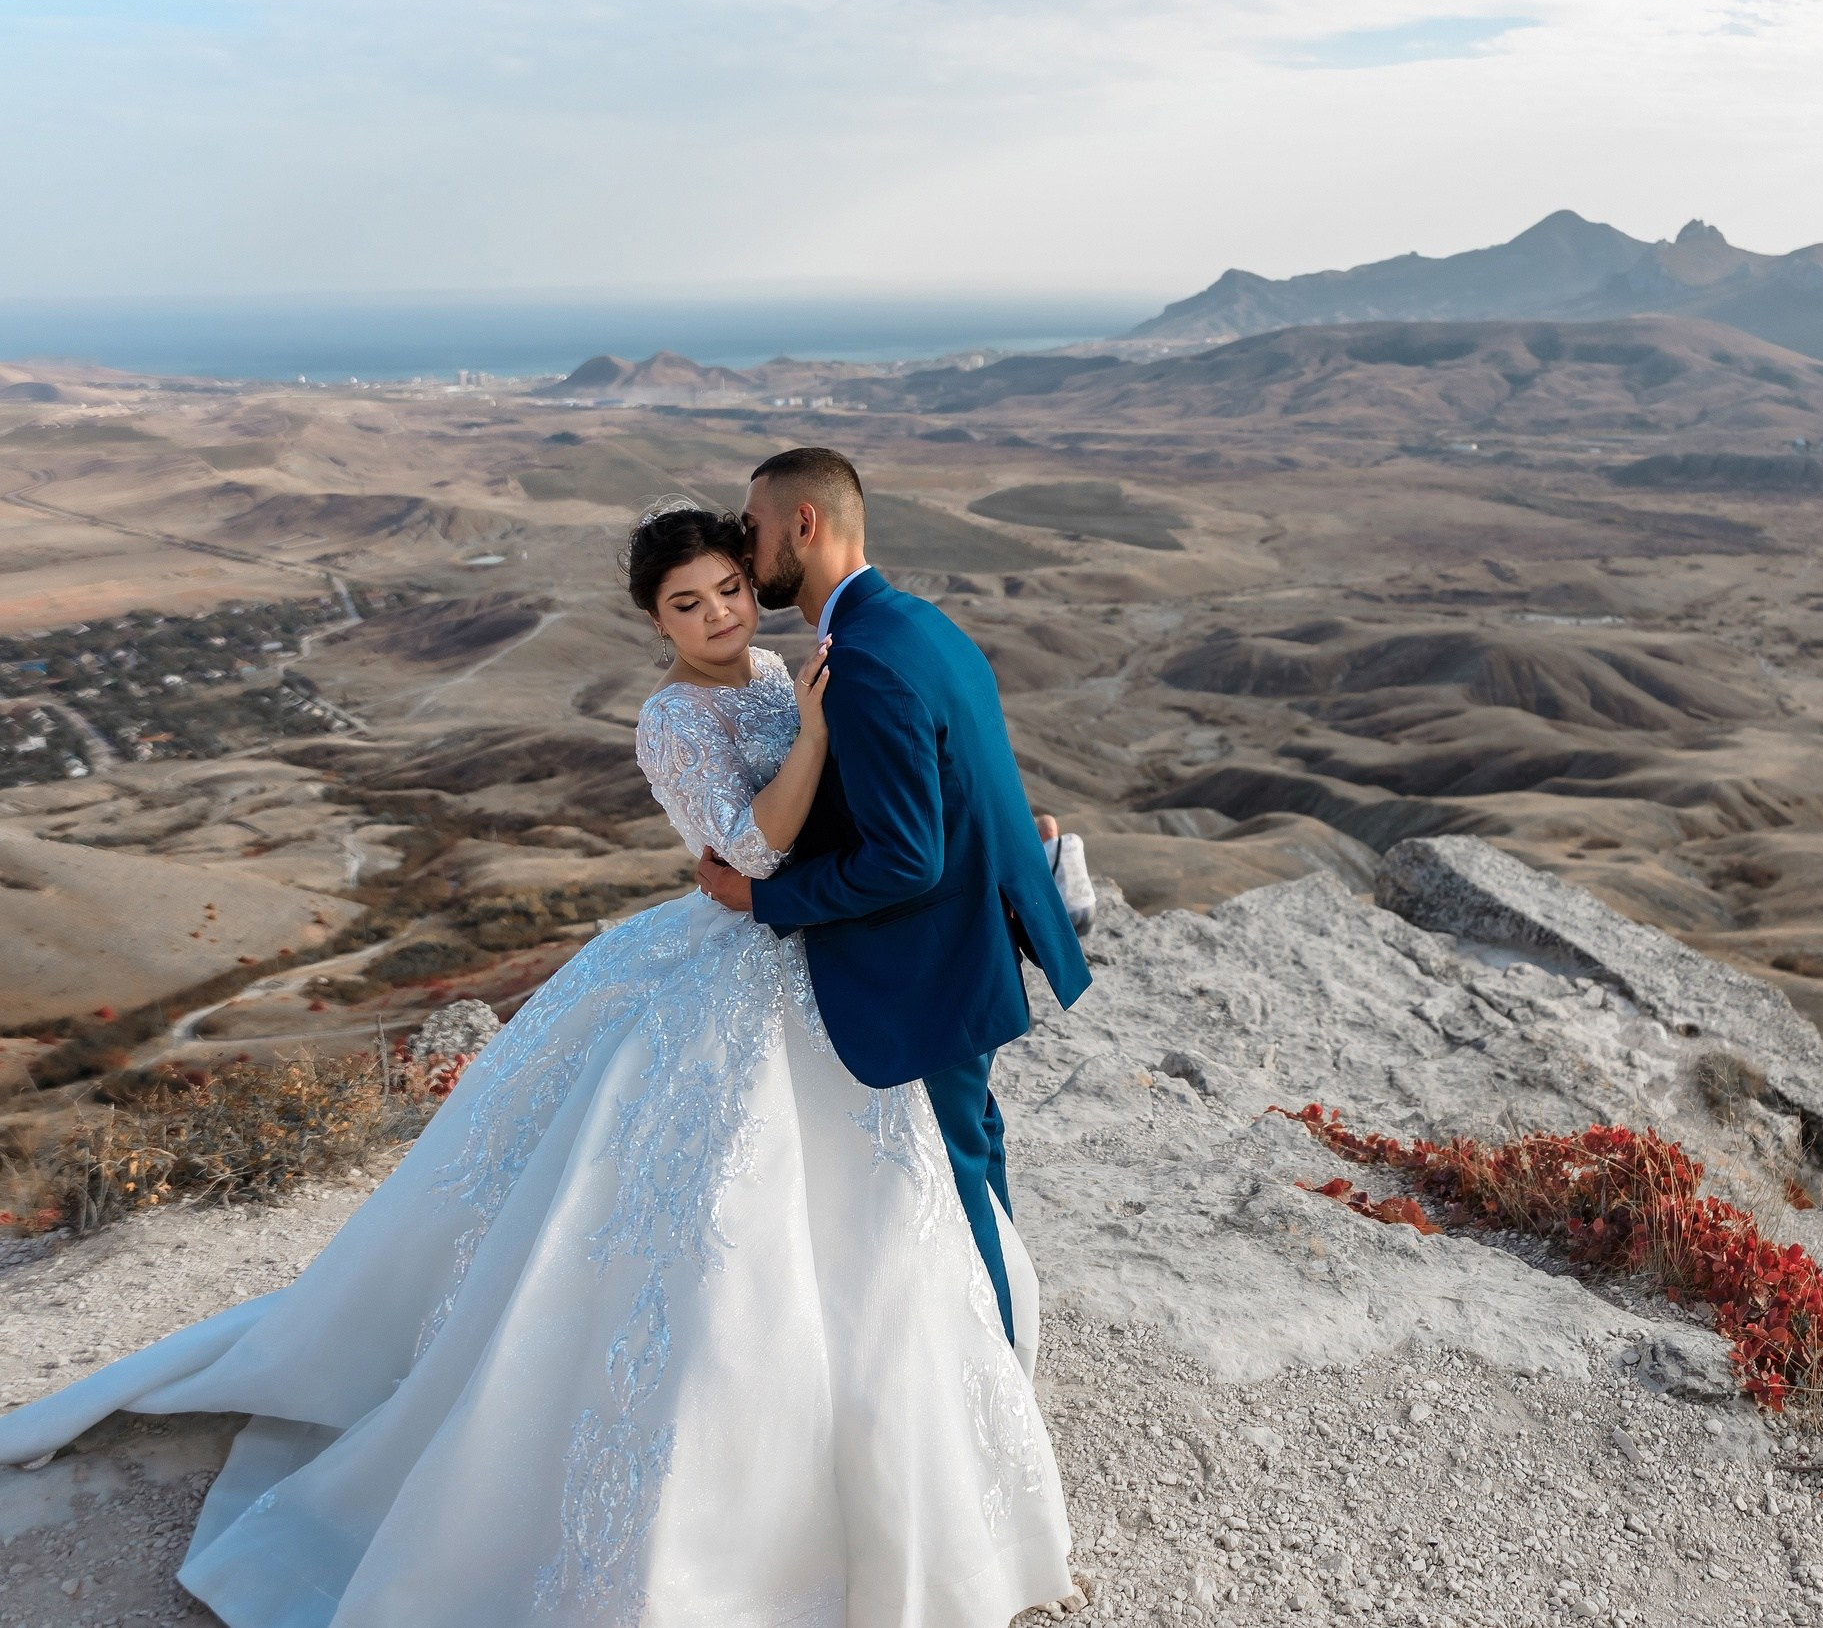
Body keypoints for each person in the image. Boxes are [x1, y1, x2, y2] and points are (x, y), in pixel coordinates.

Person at [0, 503, 1076, 1627]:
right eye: (684, 602)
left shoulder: (778, 664)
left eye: (725, 588)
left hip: (826, 956)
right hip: (744, 949)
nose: (715, 614)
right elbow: (749, 850)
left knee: (868, 1199)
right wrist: (809, 741)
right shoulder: (672, 715)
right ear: (649, 616)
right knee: (696, 1214)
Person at [696, 447, 1091, 1346]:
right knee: (975, 1155)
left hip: (928, 961)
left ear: (804, 524)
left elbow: (904, 860)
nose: (741, 542)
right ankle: (1005, 1329)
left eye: (752, 524)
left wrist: (760, 900)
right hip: (970, 948)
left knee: (953, 1183)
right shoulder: (918, 622)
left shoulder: (865, 661)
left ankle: (997, 1372)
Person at [1035, 813, 1098, 935]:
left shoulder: (1043, 853)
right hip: (1089, 905)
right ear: (1057, 828)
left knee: (1064, 948)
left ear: (1038, 833)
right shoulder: (1075, 840)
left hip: (1068, 910)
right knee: (1078, 948)